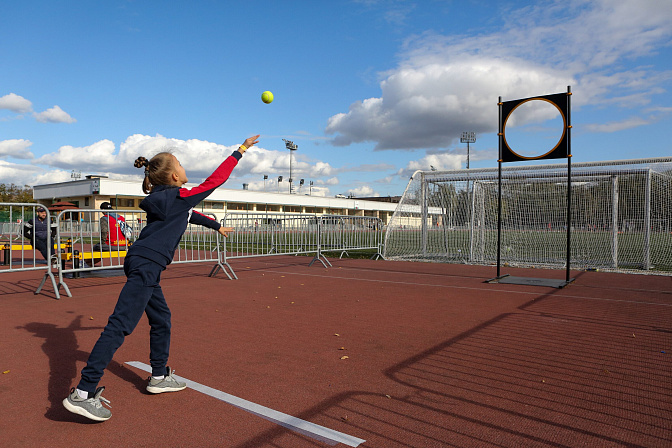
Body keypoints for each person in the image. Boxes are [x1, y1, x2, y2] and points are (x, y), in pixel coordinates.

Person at [63, 135, 259, 422]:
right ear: (174, 175)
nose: (182, 165)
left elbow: (190, 216)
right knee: (119, 326)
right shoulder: (178, 197)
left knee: (161, 319)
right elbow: (214, 181)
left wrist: (216, 226)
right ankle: (83, 392)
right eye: (179, 163)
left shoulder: (169, 201)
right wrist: (239, 151)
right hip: (147, 264)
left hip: (144, 263)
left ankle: (158, 375)